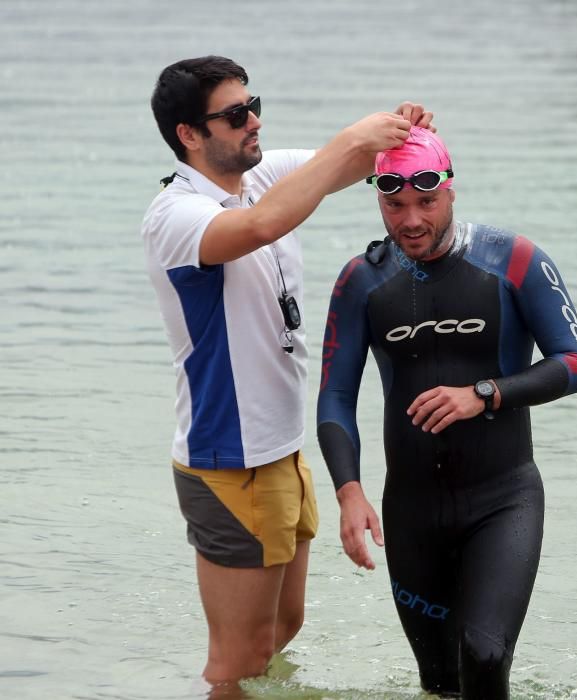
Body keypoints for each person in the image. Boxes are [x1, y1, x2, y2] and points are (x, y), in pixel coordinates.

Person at [141, 55, 432, 688]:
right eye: (236, 114)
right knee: (237, 659)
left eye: (255, 105)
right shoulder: (175, 216)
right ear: (189, 134)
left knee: (282, 628)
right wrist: (356, 137)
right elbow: (263, 224)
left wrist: (394, 136)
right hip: (227, 459)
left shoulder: (259, 174)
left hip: (280, 447)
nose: (254, 122)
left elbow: (342, 168)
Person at [316, 126, 577, 698]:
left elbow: (575, 365)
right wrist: (348, 492)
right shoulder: (361, 280)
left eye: (426, 202)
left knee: (485, 656)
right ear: (380, 200)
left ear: (451, 191)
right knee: (440, 684)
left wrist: (484, 393)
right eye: (395, 205)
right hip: (412, 511)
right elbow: (337, 397)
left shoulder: (513, 260)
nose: (411, 220)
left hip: (504, 497)